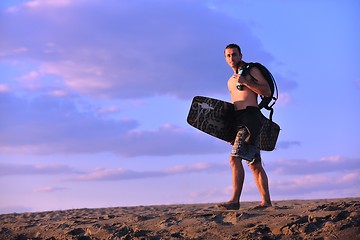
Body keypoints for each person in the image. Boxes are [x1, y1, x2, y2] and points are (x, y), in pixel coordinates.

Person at [217, 43, 272, 210]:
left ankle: (234, 201)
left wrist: (246, 81)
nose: (231, 58)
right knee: (254, 163)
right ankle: (266, 202)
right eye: (228, 55)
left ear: (240, 55)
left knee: (234, 159)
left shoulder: (251, 71)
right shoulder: (229, 82)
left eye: (234, 54)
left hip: (251, 119)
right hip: (239, 121)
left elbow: (267, 91)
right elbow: (235, 105)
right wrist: (230, 132)